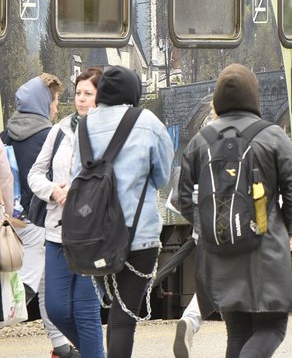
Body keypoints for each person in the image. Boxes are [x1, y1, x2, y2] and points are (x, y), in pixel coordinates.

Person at [179, 63, 292, 356]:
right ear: (253, 95)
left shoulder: (202, 140)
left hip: (219, 250)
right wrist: (287, 227)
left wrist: (205, 224)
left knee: (237, 332)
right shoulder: (272, 135)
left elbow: (182, 195)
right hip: (265, 247)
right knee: (272, 327)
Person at [72, 66, 173, 358]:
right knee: (123, 318)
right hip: (138, 238)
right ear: (133, 92)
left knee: (116, 312)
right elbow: (163, 177)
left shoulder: (84, 126)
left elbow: (79, 174)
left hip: (96, 238)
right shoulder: (148, 122)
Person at [28, 67, 104, 357]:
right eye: (78, 93)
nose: (81, 100)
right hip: (57, 232)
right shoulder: (60, 129)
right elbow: (35, 173)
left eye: (88, 94)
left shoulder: (107, 133)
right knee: (56, 309)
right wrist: (53, 190)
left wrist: (80, 194)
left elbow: (113, 180)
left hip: (91, 236)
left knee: (86, 312)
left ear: (100, 97)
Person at [2, 74, 77, 358]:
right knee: (28, 285)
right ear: (43, 103)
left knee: (45, 285)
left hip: (10, 221)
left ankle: (61, 347)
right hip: (37, 222)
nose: (57, 108)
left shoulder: (7, 133)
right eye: (55, 101)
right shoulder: (50, 136)